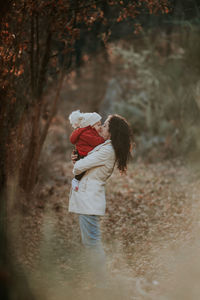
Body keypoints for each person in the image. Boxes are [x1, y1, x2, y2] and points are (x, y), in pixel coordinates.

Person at [68, 114, 133, 286]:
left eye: (104, 125)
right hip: (88, 198)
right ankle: (99, 281)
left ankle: (102, 284)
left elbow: (79, 168)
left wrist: (78, 163)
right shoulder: (105, 147)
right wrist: (79, 159)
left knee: (92, 243)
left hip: (89, 199)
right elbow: (83, 163)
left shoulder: (107, 150)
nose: (101, 128)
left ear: (111, 132)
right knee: (90, 242)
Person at [69, 110, 105, 191]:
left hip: (83, 153)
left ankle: (77, 180)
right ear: (91, 125)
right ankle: (76, 180)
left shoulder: (88, 132)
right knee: (82, 170)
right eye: (98, 125)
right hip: (83, 154)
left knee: (83, 170)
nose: (101, 127)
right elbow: (96, 142)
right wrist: (104, 140)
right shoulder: (87, 133)